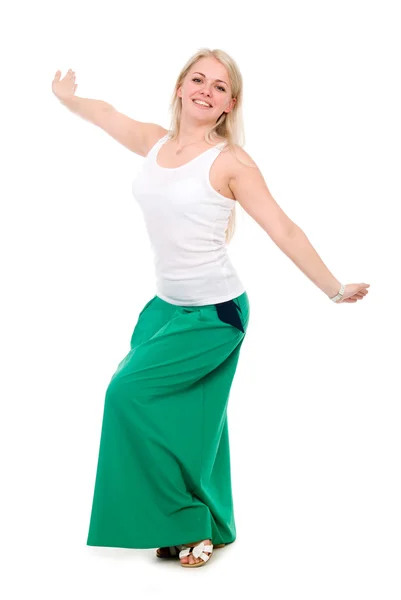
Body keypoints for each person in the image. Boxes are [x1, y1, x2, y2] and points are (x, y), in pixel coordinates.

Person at [52, 48, 370, 569]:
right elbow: (107, 115)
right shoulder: (156, 143)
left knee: (126, 394)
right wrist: (69, 99)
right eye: (198, 79)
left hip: (215, 314)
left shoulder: (230, 162)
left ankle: (185, 522)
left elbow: (284, 229)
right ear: (180, 87)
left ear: (229, 103)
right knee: (198, 421)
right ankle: (213, 525)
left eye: (219, 86)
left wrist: (333, 288)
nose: (206, 89)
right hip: (165, 308)